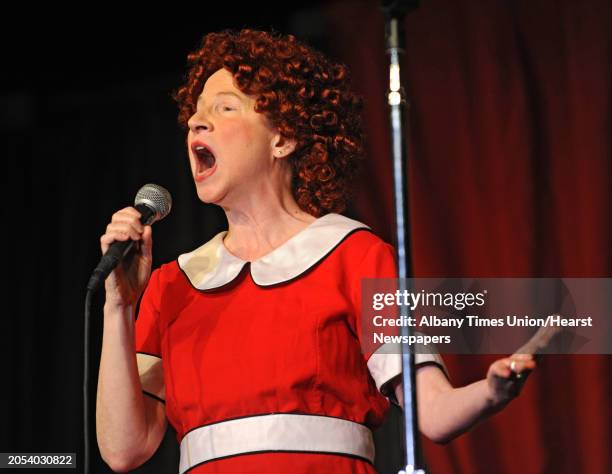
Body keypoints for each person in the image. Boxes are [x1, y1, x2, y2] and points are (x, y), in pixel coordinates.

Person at [95, 29, 535, 473]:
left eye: (224, 107)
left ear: (282, 138)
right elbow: (122, 450)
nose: (196, 122)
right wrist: (118, 305)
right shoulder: (174, 284)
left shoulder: (355, 256)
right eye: (196, 112)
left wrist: (492, 391)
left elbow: (434, 413)